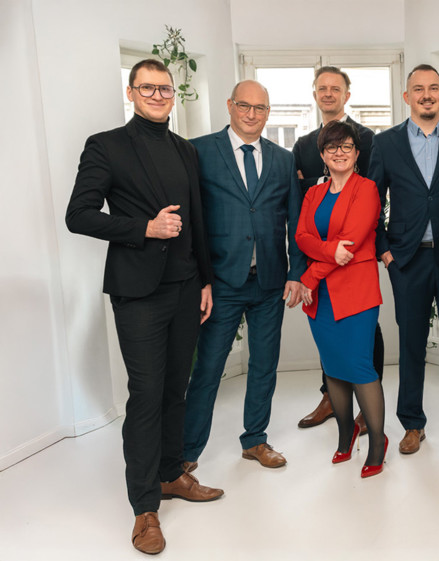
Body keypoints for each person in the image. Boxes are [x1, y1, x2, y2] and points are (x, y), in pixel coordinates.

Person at [65, 59, 223, 555]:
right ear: (131, 92)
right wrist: (144, 228)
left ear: (174, 94)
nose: (157, 95)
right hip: (139, 292)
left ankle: (172, 474)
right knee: (147, 393)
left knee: (176, 388)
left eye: (165, 88)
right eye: (147, 88)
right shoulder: (106, 145)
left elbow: (197, 219)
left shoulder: (184, 149)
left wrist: (205, 280)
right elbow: (78, 215)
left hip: (186, 288)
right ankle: (145, 508)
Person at [181, 80, 303, 471]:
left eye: (260, 108)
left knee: (264, 365)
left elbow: (295, 221)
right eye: (245, 106)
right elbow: (191, 219)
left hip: (270, 281)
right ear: (230, 105)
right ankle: (186, 453)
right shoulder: (199, 151)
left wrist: (296, 272)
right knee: (208, 369)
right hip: (221, 282)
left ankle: (255, 440)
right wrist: (199, 279)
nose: (252, 114)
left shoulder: (283, 159)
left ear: (268, 113)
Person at [369, 64, 439, 454]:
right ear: (407, 97)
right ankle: (412, 424)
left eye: (433, 88)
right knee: (411, 344)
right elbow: (371, 201)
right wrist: (384, 250)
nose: (426, 95)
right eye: (418, 89)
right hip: (407, 259)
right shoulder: (386, 143)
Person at [292, 67, 384, 432]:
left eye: (335, 88)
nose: (328, 93)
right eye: (322, 88)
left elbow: (372, 194)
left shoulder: (368, 138)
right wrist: (317, 260)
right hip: (324, 251)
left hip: (356, 256)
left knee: (364, 337)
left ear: (347, 94)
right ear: (314, 94)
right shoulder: (303, 145)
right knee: (329, 339)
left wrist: (311, 274)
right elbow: (303, 209)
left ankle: (367, 405)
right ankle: (331, 397)